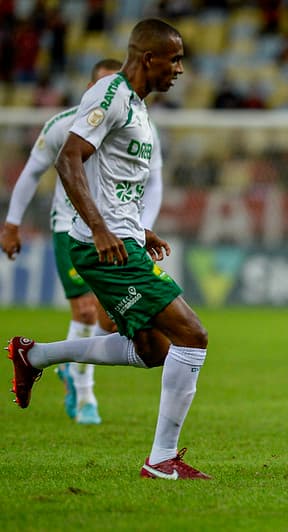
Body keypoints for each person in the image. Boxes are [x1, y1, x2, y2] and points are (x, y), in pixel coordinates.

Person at [7, 18, 210, 480]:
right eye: (174, 59)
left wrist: (140, 229)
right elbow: (67, 158)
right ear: (147, 58)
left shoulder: (138, 108)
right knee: (193, 336)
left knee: (153, 350)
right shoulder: (110, 94)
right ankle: (161, 459)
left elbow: (115, 183)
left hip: (124, 242)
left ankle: (33, 355)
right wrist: (100, 229)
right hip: (105, 249)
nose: (180, 69)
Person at [1, 58, 165, 426]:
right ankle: (84, 393)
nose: (111, 95)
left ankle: (54, 361)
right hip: (71, 227)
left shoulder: (137, 124)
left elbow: (155, 181)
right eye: (103, 87)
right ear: (90, 89)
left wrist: (142, 227)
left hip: (122, 232)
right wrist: (11, 224)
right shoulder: (63, 127)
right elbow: (32, 173)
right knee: (86, 312)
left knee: (111, 323)